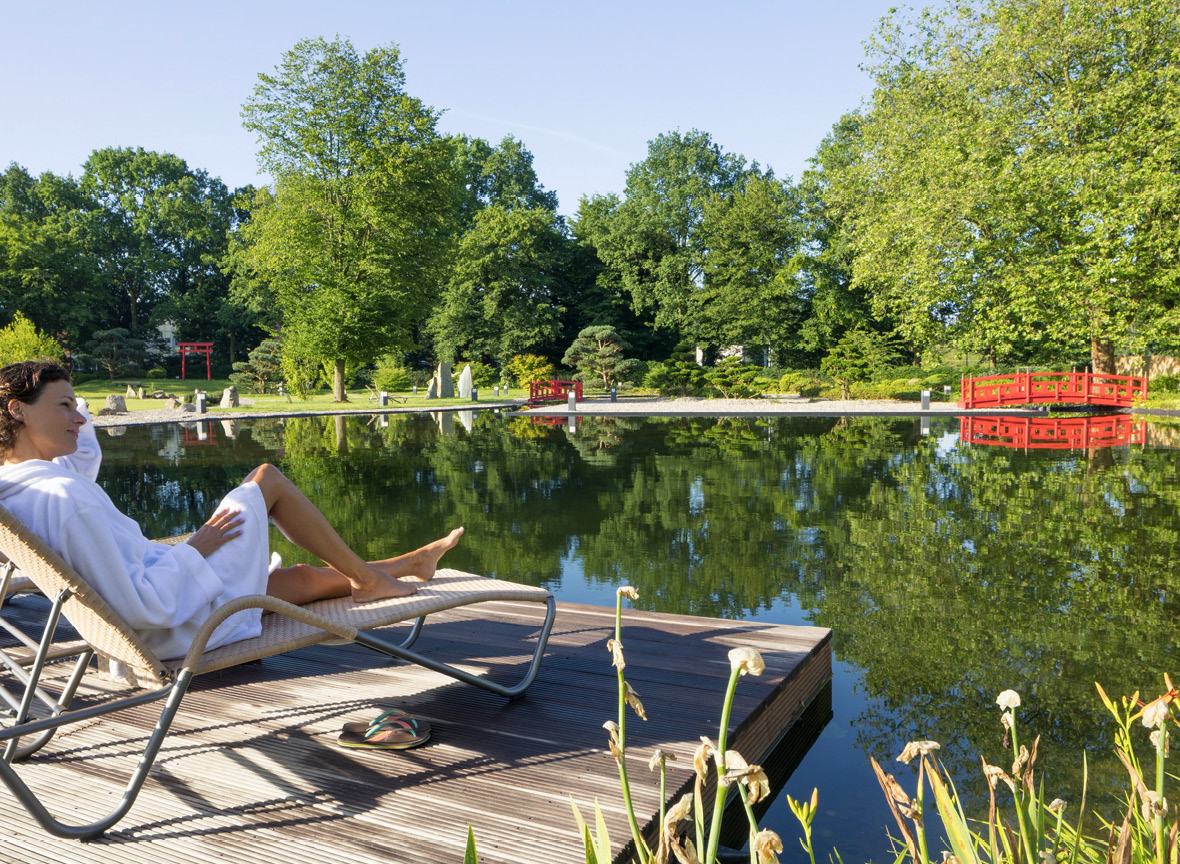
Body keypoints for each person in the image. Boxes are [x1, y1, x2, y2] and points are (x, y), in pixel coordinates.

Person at [0, 360, 463, 660]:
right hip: (174, 624)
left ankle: (407, 564)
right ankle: (368, 579)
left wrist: (62, 404)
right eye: (67, 406)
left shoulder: (24, 487)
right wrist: (195, 549)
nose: (81, 417)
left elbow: (80, 460)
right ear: (17, 410)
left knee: (297, 579)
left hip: (171, 596)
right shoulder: (63, 499)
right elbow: (139, 606)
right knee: (267, 480)